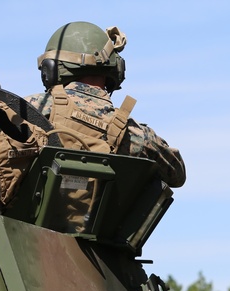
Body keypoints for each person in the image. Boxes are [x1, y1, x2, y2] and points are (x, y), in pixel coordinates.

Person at [25, 22, 186, 189]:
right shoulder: (134, 135)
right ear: (116, 69)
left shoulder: (31, 110)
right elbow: (177, 174)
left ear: (50, 69)